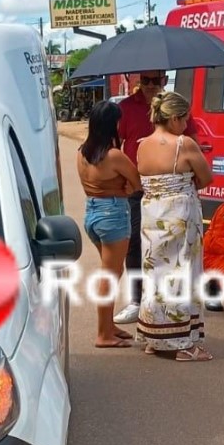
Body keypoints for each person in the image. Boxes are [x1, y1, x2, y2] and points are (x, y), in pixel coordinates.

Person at [113, 71, 199, 325]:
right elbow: (115, 143)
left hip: (172, 190)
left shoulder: (174, 106)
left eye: (156, 80)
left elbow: (191, 137)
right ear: (138, 82)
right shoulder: (126, 108)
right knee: (136, 247)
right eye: (146, 80)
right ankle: (138, 300)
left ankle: (173, 306)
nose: (151, 85)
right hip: (137, 188)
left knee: (174, 251)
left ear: (164, 80)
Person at [134, 91, 214, 361]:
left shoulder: (141, 144)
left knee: (155, 273)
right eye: (185, 119)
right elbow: (206, 178)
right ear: (176, 118)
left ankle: (154, 336)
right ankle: (183, 343)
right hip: (179, 214)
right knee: (182, 271)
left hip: (151, 213)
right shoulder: (184, 143)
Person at [76, 101, 143, 349]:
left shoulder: (82, 152)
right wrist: (123, 187)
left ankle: (108, 326)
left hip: (92, 212)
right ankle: (103, 333)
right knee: (110, 275)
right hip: (113, 213)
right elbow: (137, 183)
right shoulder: (114, 156)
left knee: (111, 272)